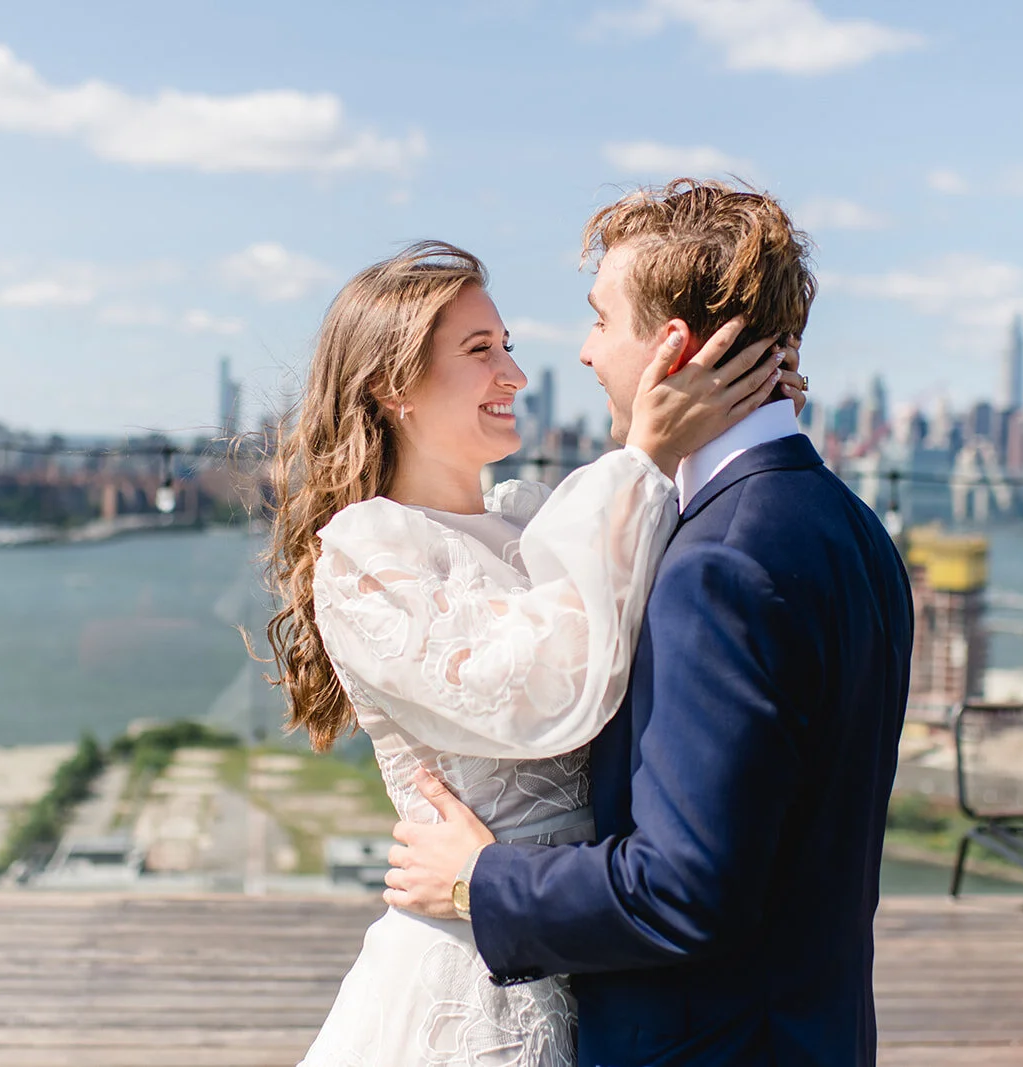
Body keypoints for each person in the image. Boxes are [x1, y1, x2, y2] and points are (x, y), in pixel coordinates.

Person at [385, 181, 914, 1066]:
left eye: (600, 319)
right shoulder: (850, 525)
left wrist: (481, 880)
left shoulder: (719, 562)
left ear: (670, 346)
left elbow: (683, 886)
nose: (586, 353)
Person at [261, 230, 805, 1066]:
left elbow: (661, 617)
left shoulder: (529, 516)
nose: (512, 373)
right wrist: (646, 455)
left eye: (506, 347)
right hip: (471, 985)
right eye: (480, 350)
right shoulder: (366, 554)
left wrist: (738, 413)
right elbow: (537, 695)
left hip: (597, 960)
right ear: (389, 386)